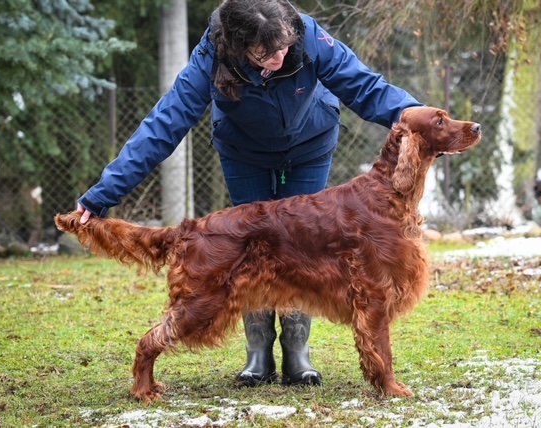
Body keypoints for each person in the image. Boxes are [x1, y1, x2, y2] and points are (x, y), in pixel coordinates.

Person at [75, 0, 424, 388]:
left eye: (284, 47)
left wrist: (423, 118)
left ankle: (297, 352)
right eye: (265, 53)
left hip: (309, 145)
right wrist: (104, 193)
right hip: (244, 152)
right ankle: (258, 352)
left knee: (306, 248)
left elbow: (367, 88)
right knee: (247, 250)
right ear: (239, 47)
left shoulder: (308, 36)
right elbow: (165, 124)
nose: (279, 57)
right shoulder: (212, 54)